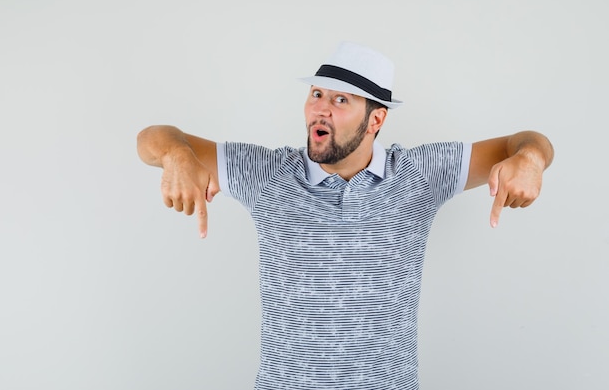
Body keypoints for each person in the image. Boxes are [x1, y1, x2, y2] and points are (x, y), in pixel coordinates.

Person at [136, 41, 554, 390]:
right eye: (316, 94)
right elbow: (150, 138)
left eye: (340, 100)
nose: (321, 109)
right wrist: (177, 155)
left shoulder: (421, 174)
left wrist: (531, 159)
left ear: (376, 119)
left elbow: (526, 141)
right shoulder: (266, 173)